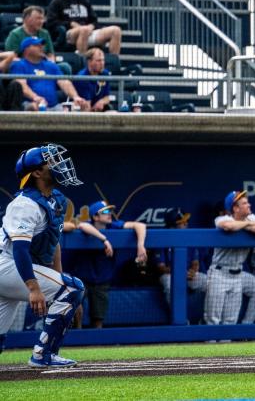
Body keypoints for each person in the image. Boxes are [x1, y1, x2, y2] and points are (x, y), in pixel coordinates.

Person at [0, 144, 85, 367]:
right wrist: (34, 288)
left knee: (69, 289)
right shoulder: (25, 204)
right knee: (73, 287)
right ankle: (42, 355)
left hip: (10, 267)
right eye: (50, 161)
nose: (58, 164)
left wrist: (61, 285)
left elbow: (53, 242)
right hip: (6, 263)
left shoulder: (55, 199)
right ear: (37, 172)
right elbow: (19, 249)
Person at [67, 200, 148, 328]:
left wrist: (140, 245)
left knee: (98, 319)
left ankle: (95, 346)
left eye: (110, 211)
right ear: (95, 217)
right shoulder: (88, 225)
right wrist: (104, 240)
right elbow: (82, 226)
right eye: (105, 211)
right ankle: (77, 340)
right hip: (83, 279)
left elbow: (140, 226)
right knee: (76, 311)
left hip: (102, 279)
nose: (109, 214)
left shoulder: (113, 226)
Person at [204, 191, 255, 326]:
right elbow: (229, 226)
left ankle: (228, 344)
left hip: (238, 275)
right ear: (235, 208)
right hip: (219, 273)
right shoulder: (222, 218)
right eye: (245, 203)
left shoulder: (251, 217)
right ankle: (210, 345)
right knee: (213, 320)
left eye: (248, 202)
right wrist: (248, 225)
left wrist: (246, 224)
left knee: (230, 321)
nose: (249, 205)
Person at [46, 0, 123, 55]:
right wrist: (70, 24)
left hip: (87, 31)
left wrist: (91, 26)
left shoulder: (84, 1)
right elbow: (51, 22)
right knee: (84, 30)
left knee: (116, 30)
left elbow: (94, 20)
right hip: (69, 34)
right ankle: (83, 62)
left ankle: (114, 63)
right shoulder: (57, 2)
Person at [9, 37, 90, 112]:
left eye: (41, 45)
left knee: (81, 107)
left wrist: (75, 97)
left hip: (54, 106)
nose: (41, 47)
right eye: (36, 45)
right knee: (33, 107)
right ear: (26, 50)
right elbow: (21, 85)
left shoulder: (50, 65)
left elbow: (64, 82)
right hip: (30, 103)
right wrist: (35, 97)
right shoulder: (19, 65)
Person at [155, 208, 207, 306]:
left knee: (209, 283)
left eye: (186, 221)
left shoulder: (189, 238)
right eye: (182, 222)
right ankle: (176, 318)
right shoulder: (162, 239)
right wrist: (179, 272)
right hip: (169, 274)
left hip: (187, 274)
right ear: (172, 227)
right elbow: (161, 267)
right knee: (170, 285)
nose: (186, 224)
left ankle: (206, 318)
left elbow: (195, 262)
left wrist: (193, 271)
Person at [4, 6, 72, 75]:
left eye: (42, 18)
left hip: (43, 65)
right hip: (23, 67)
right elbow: (12, 57)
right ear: (27, 19)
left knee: (64, 67)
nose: (42, 21)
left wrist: (51, 64)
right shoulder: (15, 34)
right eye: (38, 18)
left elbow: (50, 54)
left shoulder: (45, 33)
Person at [73, 47, 112, 112]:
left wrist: (101, 102)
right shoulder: (82, 77)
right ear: (89, 62)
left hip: (99, 110)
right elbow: (86, 107)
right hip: (83, 111)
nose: (102, 63)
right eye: (98, 61)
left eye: (103, 60)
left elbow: (107, 98)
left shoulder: (105, 74)